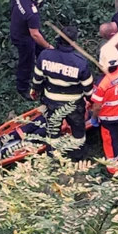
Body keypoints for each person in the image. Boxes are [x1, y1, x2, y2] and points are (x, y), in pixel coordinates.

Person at [32, 26, 93, 160]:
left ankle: (52, 156)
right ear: (73, 42)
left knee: (53, 130)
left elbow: (37, 79)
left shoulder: (45, 55)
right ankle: (77, 156)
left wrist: (36, 91)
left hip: (51, 101)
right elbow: (88, 89)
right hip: (74, 105)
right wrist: (91, 101)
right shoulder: (80, 62)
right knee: (78, 131)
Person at [90, 44, 118, 175]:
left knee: (110, 140)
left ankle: (113, 165)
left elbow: (97, 105)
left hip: (109, 118)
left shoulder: (102, 84)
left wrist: (94, 117)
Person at [10, 0, 53, 100]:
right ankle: (22, 88)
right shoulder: (31, 13)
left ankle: (47, 70)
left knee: (41, 50)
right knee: (26, 62)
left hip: (18, 26)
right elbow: (35, 34)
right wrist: (48, 46)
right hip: (24, 37)